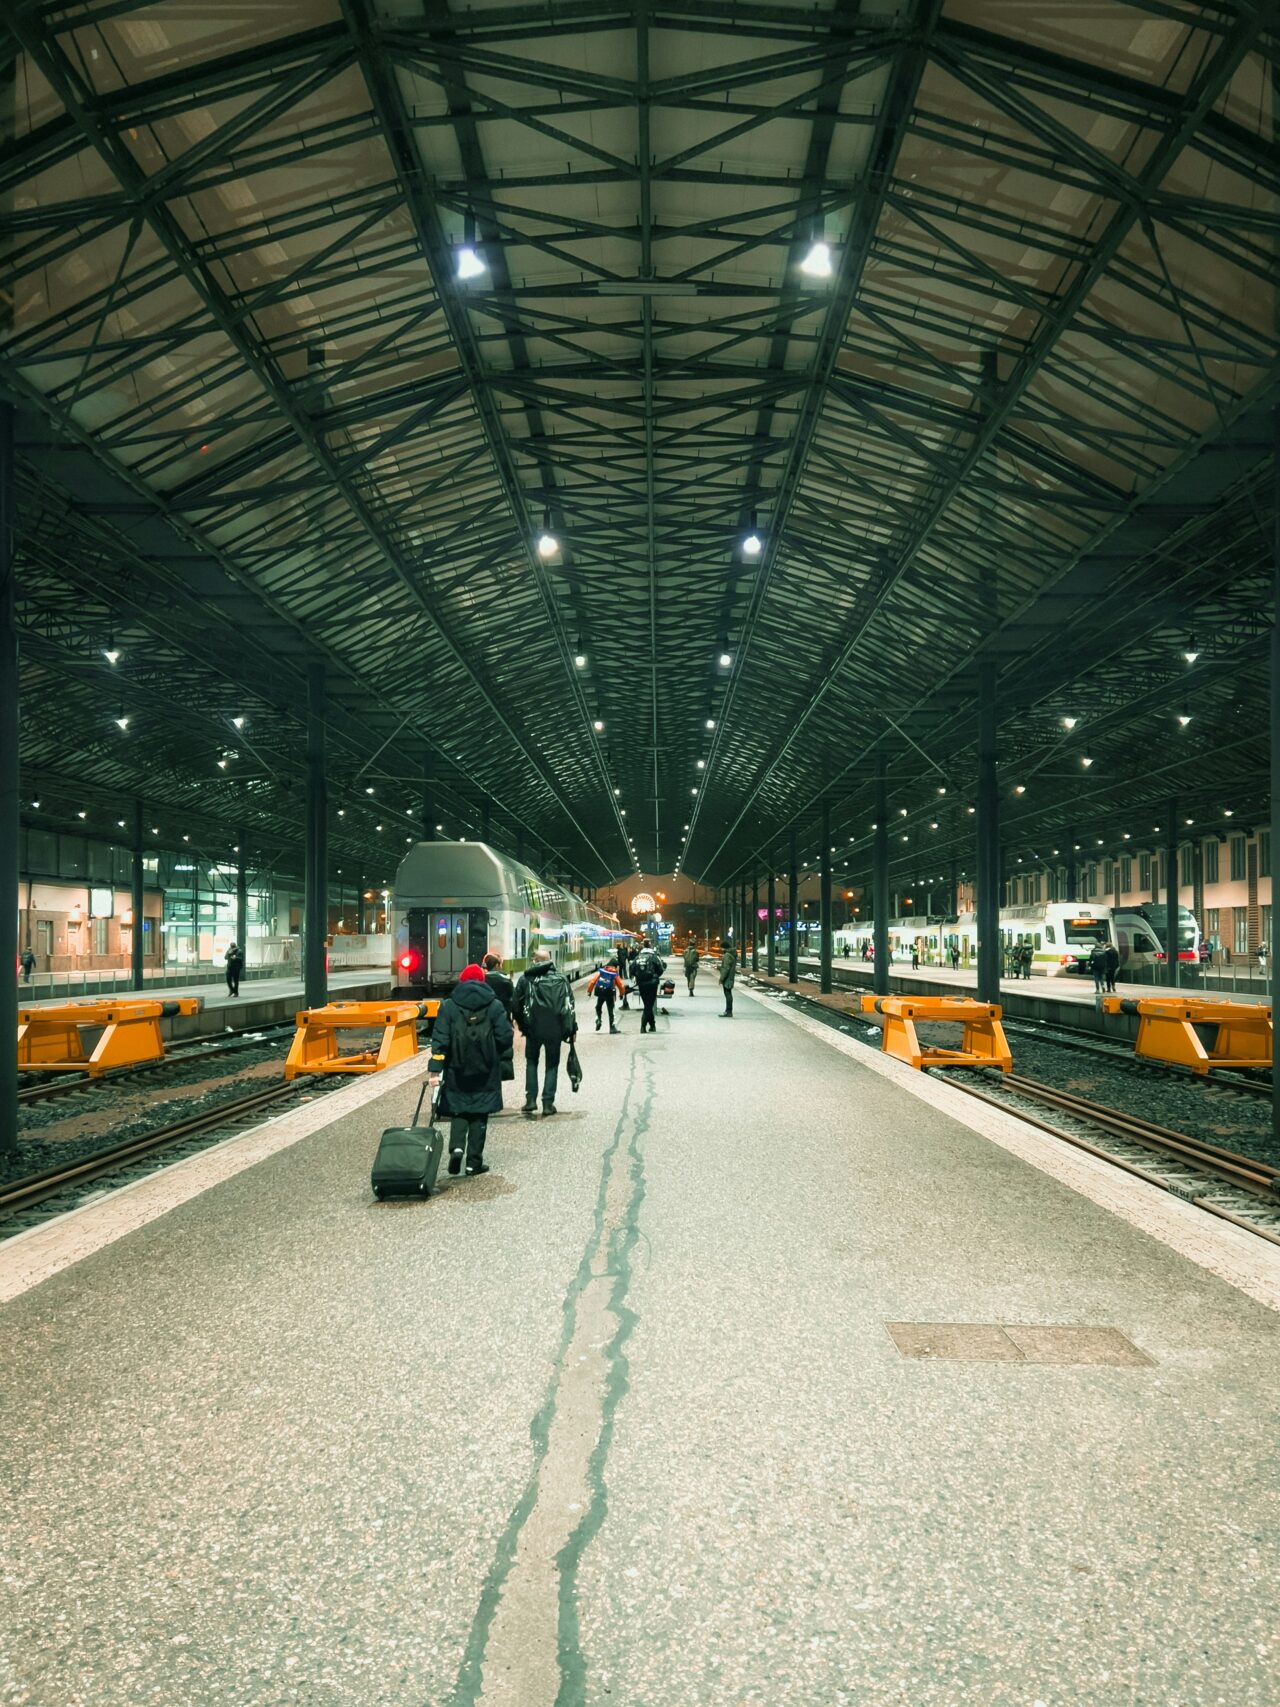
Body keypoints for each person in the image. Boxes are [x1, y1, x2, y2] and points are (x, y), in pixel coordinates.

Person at [429, 962, 513, 1177]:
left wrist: (435, 1069)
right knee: (479, 1114)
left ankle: (456, 1148)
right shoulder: (494, 1005)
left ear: (462, 981)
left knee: (459, 1108)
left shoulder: (448, 1005)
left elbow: (440, 1038)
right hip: (486, 1068)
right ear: (482, 981)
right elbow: (505, 1036)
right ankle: (473, 1163)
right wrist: (495, 1054)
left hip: (457, 1067)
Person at [513, 946, 577, 1115]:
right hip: (555, 1030)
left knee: (532, 1063)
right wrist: (571, 1029)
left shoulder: (526, 979)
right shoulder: (561, 978)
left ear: (536, 961)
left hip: (533, 1029)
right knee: (552, 1065)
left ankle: (531, 1100)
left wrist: (523, 1025)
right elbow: (570, 1005)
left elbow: (515, 1006)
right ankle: (548, 1104)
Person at [632, 937, 666, 1034]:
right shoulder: (654, 956)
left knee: (647, 1004)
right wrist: (655, 977)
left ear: (643, 945)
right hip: (652, 984)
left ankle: (652, 1025)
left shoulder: (638, 957)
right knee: (648, 1005)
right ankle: (643, 1026)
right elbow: (661, 969)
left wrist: (639, 977)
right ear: (650, 945)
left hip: (641, 984)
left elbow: (632, 969)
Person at [588, 958, 624, 1033]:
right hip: (609, 993)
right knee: (611, 1010)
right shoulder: (614, 973)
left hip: (600, 992)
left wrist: (589, 991)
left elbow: (592, 981)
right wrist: (621, 994)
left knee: (598, 1007)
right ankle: (612, 1028)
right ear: (615, 966)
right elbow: (621, 985)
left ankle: (598, 1020)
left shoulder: (602, 971)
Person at [482, 950, 513, 1017]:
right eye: (501, 964)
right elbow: (511, 997)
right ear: (497, 965)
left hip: (486, 1015)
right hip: (502, 1014)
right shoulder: (506, 980)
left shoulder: (481, 979)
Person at [718, 941, 737, 1018]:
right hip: (730, 977)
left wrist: (721, 979)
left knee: (728, 994)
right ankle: (728, 1011)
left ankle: (728, 1011)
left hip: (727, 978)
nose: (721, 949)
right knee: (728, 994)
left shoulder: (727, 955)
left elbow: (726, 968)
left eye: (721, 948)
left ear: (724, 948)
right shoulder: (732, 954)